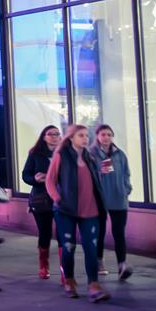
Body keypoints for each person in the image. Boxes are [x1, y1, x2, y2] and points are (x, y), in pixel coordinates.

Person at [47, 124, 108, 301]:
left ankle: (94, 285)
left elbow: (92, 181)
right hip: (66, 209)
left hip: (90, 209)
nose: (85, 139)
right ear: (71, 138)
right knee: (68, 246)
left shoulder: (89, 157)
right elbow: (50, 180)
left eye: (87, 136)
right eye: (81, 135)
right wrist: (57, 198)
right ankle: (70, 281)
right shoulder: (61, 156)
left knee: (91, 247)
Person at [90, 124, 134, 280]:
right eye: (103, 134)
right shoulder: (91, 154)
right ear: (97, 136)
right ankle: (98, 261)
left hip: (118, 197)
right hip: (100, 198)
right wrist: (99, 173)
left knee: (119, 232)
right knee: (100, 231)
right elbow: (86, 175)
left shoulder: (119, 154)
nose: (106, 137)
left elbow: (126, 173)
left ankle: (122, 265)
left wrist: (126, 189)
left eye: (109, 134)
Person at [22, 125, 60, 280]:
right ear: (44, 137)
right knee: (45, 232)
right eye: (50, 134)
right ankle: (43, 265)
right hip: (42, 198)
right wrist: (35, 179)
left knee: (63, 233)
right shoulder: (35, 153)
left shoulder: (65, 153)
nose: (54, 137)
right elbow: (26, 175)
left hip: (61, 197)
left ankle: (66, 269)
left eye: (57, 134)